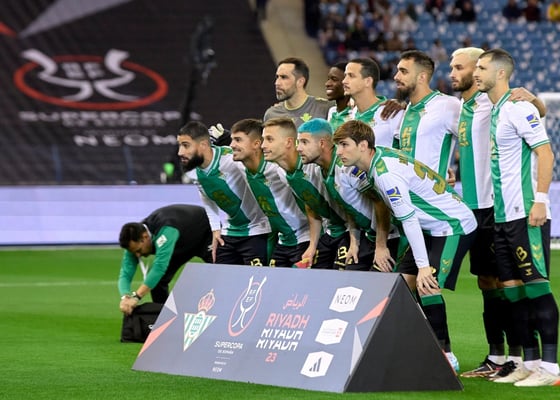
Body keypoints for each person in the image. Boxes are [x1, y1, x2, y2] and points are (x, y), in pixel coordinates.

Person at [333, 119, 477, 373]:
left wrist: (423, 267)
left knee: (427, 284)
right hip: (430, 227)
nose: (339, 152)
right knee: (401, 286)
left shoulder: (385, 175)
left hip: (452, 225)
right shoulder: (379, 159)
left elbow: (409, 220)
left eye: (344, 145)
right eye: (338, 146)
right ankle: (411, 348)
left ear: (363, 145)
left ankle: (445, 357)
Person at [449, 47, 547, 378]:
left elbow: (535, 115)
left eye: (460, 67)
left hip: (499, 205)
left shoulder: (494, 102)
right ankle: (497, 354)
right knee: (486, 282)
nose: (454, 73)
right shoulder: (458, 107)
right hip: (472, 208)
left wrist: (536, 100)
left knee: (512, 282)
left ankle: (522, 357)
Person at [473, 48, 559, 386]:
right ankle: (530, 361)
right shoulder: (496, 109)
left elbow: (545, 153)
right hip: (502, 216)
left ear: (501, 73)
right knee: (512, 291)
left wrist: (541, 201)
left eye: (482, 67)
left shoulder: (518, 107)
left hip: (525, 212)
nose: (476, 72)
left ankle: (551, 368)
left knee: (537, 287)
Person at [296, 118, 400, 271]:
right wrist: (354, 242)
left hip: (390, 237)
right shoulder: (321, 171)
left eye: (304, 142)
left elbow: (381, 202)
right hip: (367, 236)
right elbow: (349, 208)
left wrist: (381, 246)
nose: (298, 148)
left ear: (322, 143)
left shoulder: (347, 167)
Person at [177, 120, 271, 266]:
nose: (180, 152)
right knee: (220, 276)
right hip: (230, 231)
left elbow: (259, 172)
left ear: (203, 145)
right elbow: (206, 197)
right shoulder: (194, 171)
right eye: (180, 145)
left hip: (257, 229)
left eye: (185, 145)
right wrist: (216, 229)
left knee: (256, 279)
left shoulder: (231, 159)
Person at [261, 117, 348, 269]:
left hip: (350, 230)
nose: (263, 145)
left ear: (288, 142)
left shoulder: (314, 165)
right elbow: (311, 206)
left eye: (269, 139)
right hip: (331, 231)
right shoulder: (283, 173)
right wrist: (312, 245)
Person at [229, 118, 314, 268]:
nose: (264, 145)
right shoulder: (242, 167)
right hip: (283, 240)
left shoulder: (278, 170)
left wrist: (315, 243)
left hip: (304, 238)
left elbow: (313, 208)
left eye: (269, 139)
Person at [118, 204, 212, 313]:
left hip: (204, 233)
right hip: (179, 244)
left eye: (139, 250)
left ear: (145, 237)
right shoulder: (134, 241)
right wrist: (125, 297)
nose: (137, 255)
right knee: (157, 282)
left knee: (223, 271)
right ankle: (164, 318)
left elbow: (159, 267)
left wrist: (136, 297)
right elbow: (125, 273)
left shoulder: (166, 230)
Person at [393, 50, 460, 181]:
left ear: (421, 77)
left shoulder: (447, 105)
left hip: (433, 194)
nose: (396, 77)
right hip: (405, 192)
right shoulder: (404, 110)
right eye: (397, 71)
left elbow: (475, 139)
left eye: (403, 71)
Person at [342, 57, 404, 147]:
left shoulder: (392, 112)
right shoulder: (351, 114)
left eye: (351, 76)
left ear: (368, 81)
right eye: (345, 76)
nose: (344, 81)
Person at [263, 57, 332, 127]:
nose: (277, 83)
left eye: (284, 77)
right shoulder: (272, 115)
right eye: (277, 77)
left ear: (300, 82)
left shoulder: (325, 108)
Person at [325, 62, 352, 131]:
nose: (327, 84)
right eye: (328, 79)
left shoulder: (355, 114)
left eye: (334, 79)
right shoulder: (332, 111)